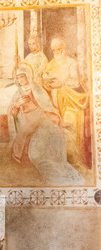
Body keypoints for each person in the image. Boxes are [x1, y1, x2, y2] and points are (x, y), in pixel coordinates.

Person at [8, 67, 84, 185]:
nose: (20, 79)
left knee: (56, 134)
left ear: (27, 76)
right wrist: (17, 105)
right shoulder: (17, 93)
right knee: (37, 152)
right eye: (18, 77)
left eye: (22, 76)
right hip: (28, 120)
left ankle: (60, 167)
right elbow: (13, 114)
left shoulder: (37, 89)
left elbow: (47, 106)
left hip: (42, 117)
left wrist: (57, 120)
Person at [43, 37, 90, 170]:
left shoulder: (72, 63)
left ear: (64, 48)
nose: (57, 52)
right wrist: (48, 84)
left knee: (70, 129)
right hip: (56, 102)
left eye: (59, 49)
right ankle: (61, 160)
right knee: (57, 130)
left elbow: (75, 82)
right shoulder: (51, 64)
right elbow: (46, 83)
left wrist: (61, 84)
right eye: (54, 50)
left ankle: (73, 160)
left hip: (71, 101)